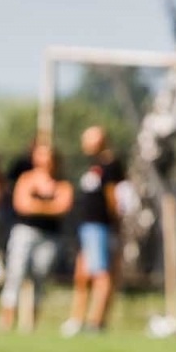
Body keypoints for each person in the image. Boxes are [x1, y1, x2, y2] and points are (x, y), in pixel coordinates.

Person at [0, 141, 72, 332]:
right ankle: (6, 322)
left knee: (40, 277)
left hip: (50, 237)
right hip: (25, 232)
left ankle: (30, 325)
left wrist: (37, 206)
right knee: (16, 274)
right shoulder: (27, 179)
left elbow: (63, 207)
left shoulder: (62, 182)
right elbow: (22, 204)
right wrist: (49, 206)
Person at [61, 126, 123, 335]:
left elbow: (114, 197)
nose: (84, 143)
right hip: (86, 226)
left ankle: (96, 322)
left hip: (100, 226)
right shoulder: (93, 165)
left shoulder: (111, 165)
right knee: (82, 275)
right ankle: (77, 319)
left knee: (101, 274)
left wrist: (116, 222)